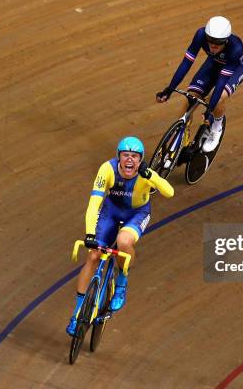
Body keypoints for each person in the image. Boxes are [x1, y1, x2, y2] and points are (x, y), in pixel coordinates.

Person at [66, 136, 174, 336]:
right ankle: (77, 314)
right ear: (118, 157)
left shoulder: (145, 174)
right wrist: (90, 233)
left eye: (134, 156)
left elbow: (169, 192)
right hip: (111, 211)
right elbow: (94, 204)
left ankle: (122, 280)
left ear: (140, 160)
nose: (130, 160)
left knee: (124, 242)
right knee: (93, 255)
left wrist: (151, 175)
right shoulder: (107, 169)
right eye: (125, 155)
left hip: (137, 213)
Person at [156, 16, 243, 152]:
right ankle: (181, 136)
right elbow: (186, 64)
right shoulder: (200, 35)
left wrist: (209, 111)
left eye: (218, 42)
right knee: (190, 98)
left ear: (226, 40)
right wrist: (170, 89)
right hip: (213, 64)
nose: (213, 46)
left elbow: (221, 82)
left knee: (215, 100)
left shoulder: (236, 48)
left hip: (234, 70)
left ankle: (217, 127)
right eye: (210, 41)